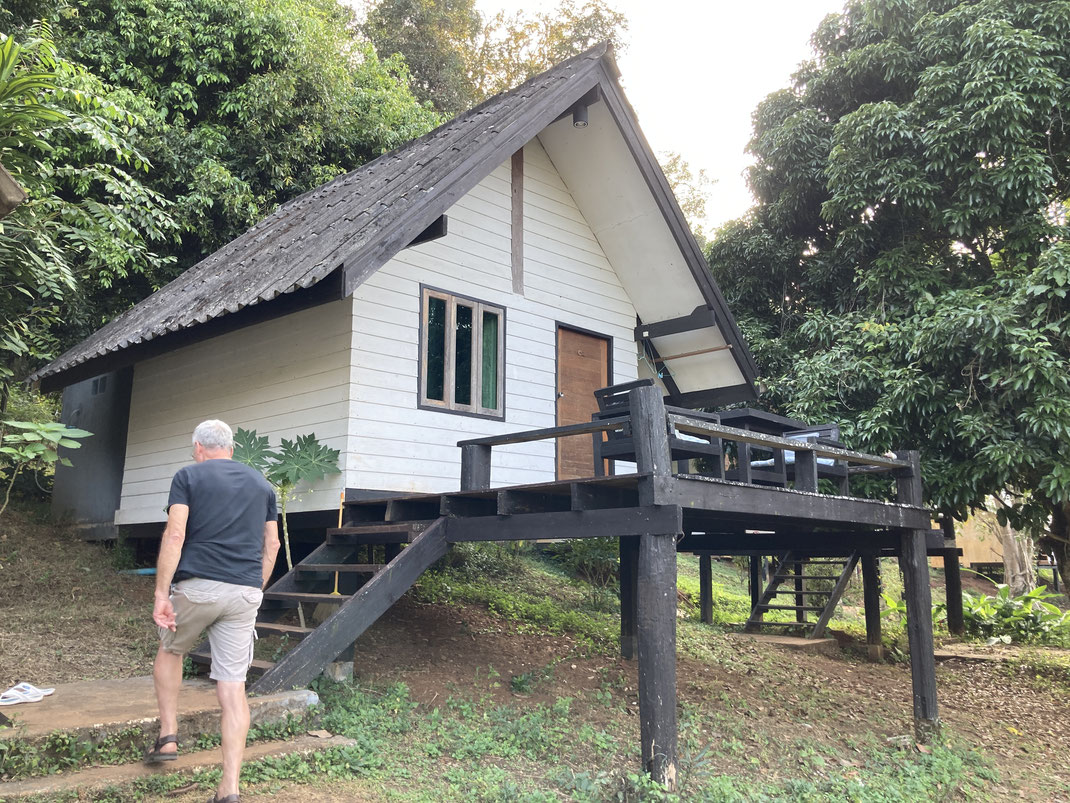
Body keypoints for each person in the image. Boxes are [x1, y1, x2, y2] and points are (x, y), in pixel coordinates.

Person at [147, 419, 280, 803]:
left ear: (198, 447)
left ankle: (169, 738)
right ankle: (229, 790)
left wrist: (161, 593)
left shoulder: (188, 475)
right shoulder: (262, 485)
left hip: (198, 586)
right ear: (232, 449)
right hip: (243, 592)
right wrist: (256, 586)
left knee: (171, 650)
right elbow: (270, 545)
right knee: (233, 688)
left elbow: (175, 534)